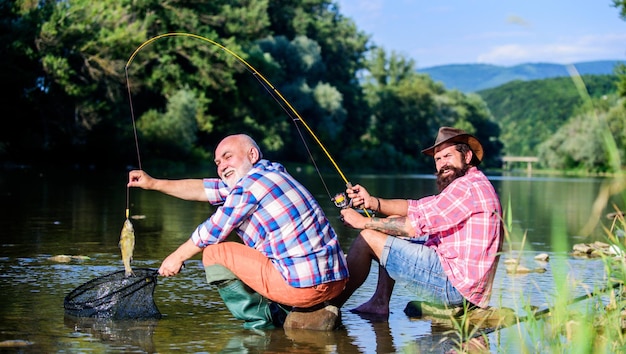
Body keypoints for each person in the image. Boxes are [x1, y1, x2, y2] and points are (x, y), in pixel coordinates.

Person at [128, 134, 348, 329]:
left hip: (303, 287)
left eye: (228, 156)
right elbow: (204, 189)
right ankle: (312, 310)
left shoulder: (250, 186)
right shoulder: (270, 172)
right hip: (336, 281)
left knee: (214, 253)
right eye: (217, 162)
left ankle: (265, 324)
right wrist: (154, 183)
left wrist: (177, 257)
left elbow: (214, 229)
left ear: (252, 154)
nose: (222, 166)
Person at [332, 127, 503, 315]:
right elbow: (416, 207)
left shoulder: (466, 188)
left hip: (456, 287)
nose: (442, 164)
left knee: (368, 238)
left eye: (448, 156)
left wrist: (362, 222)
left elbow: (411, 227)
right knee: (391, 222)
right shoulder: (473, 183)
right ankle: (379, 303)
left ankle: (329, 306)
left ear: (467, 156)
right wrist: (372, 202)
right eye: (438, 159)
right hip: (465, 284)